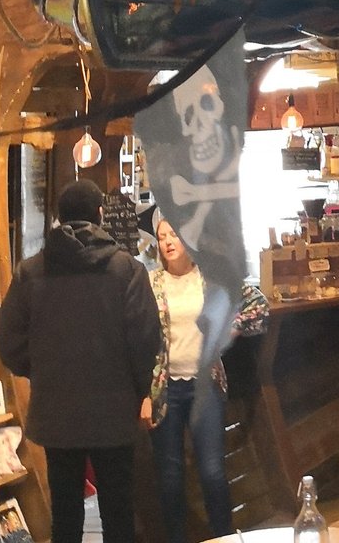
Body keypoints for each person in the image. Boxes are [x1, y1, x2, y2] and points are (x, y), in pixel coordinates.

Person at [0, 179, 161, 543]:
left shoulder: (30, 271)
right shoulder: (127, 271)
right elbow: (145, 339)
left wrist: (41, 368)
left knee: (66, 517)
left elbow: (7, 342)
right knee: (118, 514)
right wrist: (138, 388)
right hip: (114, 409)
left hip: (57, 410)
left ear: (57, 217)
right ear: (100, 215)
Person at [142, 216, 269, 543]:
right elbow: (137, 336)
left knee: (213, 471)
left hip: (204, 387)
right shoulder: (151, 283)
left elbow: (258, 305)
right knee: (170, 477)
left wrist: (232, 327)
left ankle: (224, 538)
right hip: (164, 391)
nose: (168, 242)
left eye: (175, 235)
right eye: (162, 236)